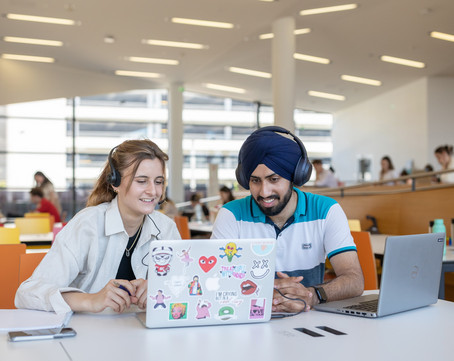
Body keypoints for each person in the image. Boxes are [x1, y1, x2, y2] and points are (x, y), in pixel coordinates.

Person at [16, 139, 181, 314]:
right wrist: (90, 300)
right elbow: (27, 293)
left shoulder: (166, 228)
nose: (153, 191)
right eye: (141, 181)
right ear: (115, 182)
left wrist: (163, 289)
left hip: (144, 334)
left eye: (158, 181)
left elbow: (188, 288)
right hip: (87, 335)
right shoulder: (88, 225)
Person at [211, 126, 364, 313]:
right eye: (255, 181)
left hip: (310, 321)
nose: (264, 192)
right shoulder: (231, 215)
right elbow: (214, 280)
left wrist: (310, 295)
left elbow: (354, 280)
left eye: (273, 179)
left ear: (295, 176)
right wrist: (264, 292)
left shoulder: (326, 210)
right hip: (248, 321)